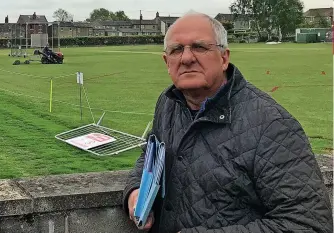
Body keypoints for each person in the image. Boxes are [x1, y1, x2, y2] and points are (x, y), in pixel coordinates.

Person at [123, 11, 333, 233]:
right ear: (167, 62)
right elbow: (151, 153)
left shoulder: (272, 125)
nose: (186, 58)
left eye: (199, 47)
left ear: (224, 58)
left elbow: (309, 224)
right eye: (176, 50)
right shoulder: (168, 103)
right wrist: (135, 190)